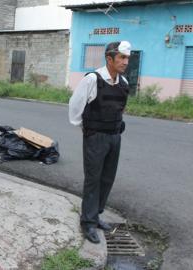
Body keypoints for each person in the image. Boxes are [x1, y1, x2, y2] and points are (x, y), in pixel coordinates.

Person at [68, 41, 131, 243]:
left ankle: (96, 216)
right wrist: (88, 131)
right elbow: (75, 106)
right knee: (93, 179)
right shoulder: (92, 80)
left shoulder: (124, 83)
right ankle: (87, 222)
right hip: (95, 137)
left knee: (107, 178)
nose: (125, 61)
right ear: (109, 59)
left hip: (114, 137)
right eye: (121, 57)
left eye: (127, 58)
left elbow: (120, 109)